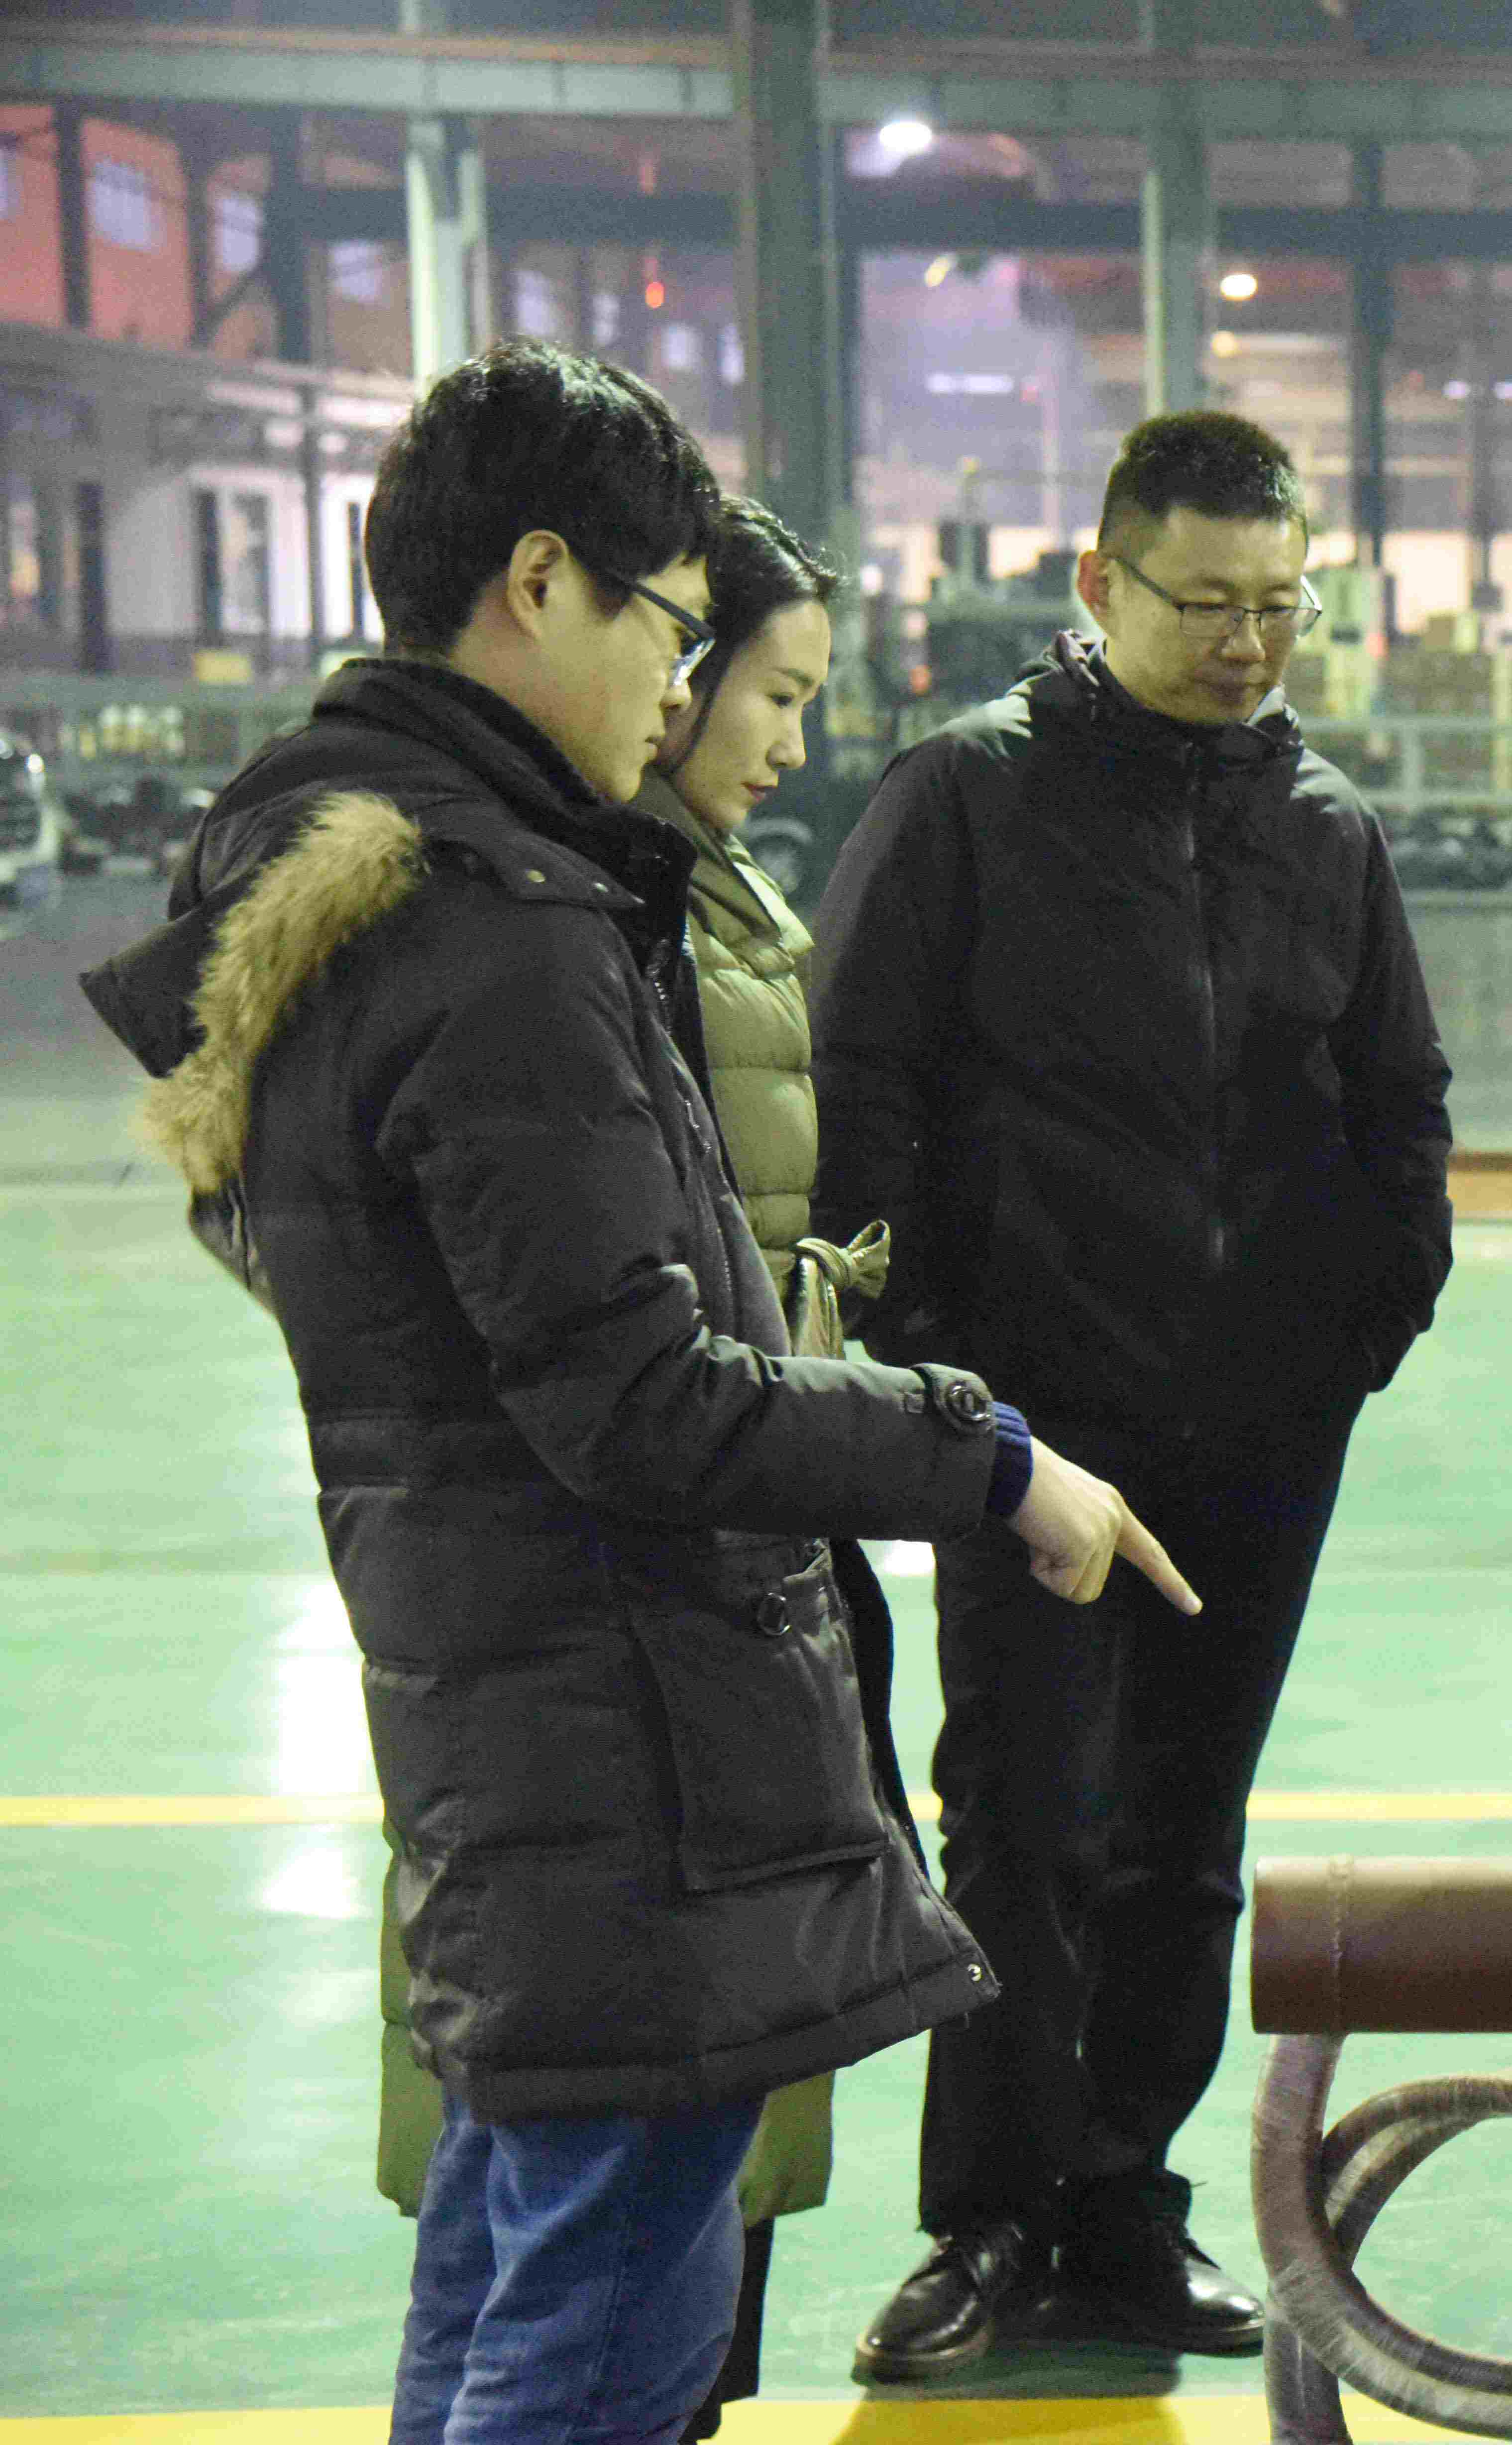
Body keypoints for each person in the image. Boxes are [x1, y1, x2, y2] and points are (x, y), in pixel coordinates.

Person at [77, 339, 1193, 2445]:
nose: (682, 695)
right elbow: (646, 1404)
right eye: (673, 632)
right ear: (538, 584)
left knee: (505, 2297)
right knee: (586, 2361)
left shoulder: (351, 880)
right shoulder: (496, 928)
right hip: (630, 1758)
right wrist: (988, 1453)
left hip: (526, 1730)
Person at [817, 409, 1454, 2377]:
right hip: (1032, 1429)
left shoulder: (1324, 829)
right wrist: (947, 1368)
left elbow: (1398, 1099)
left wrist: (1359, 1329)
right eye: (1206, 602)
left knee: (1186, 1832)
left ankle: (1122, 2201)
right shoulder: (965, 799)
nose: (1248, 642)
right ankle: (992, 2219)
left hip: (1258, 1433)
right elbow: (861, 1088)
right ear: (1101, 583)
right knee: (1023, 1821)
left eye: (1281, 605)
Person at [360, 495, 878, 2443]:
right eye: (763, 686)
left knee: (601, 2219)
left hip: (717, 1586)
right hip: (619, 1635)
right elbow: (590, 1319)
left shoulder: (697, 904)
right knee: (590, 2241)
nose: (786, 738)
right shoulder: (568, 927)